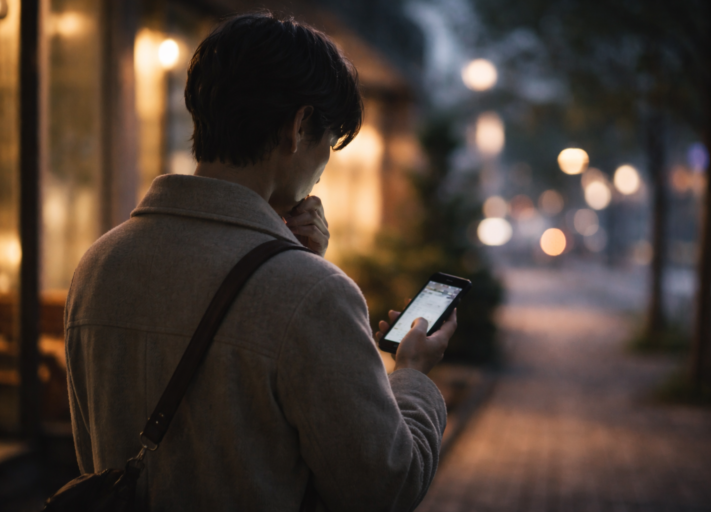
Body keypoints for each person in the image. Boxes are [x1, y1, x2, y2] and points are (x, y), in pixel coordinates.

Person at [65, 12, 456, 512]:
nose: (323, 166)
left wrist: (289, 256)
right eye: (328, 143)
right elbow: (387, 486)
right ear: (299, 126)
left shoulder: (99, 263)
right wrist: (414, 373)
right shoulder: (315, 295)